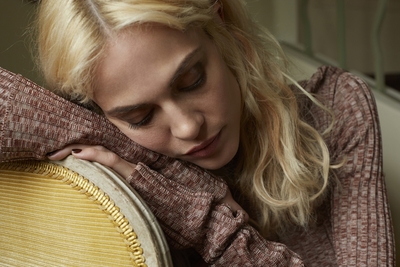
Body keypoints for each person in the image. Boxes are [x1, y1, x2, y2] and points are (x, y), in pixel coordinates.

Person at [0, 0, 394, 266]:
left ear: (220, 27)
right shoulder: (113, 164)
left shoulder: (337, 108)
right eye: (140, 116)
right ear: (99, 116)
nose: (188, 126)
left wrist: (201, 217)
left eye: (192, 80)